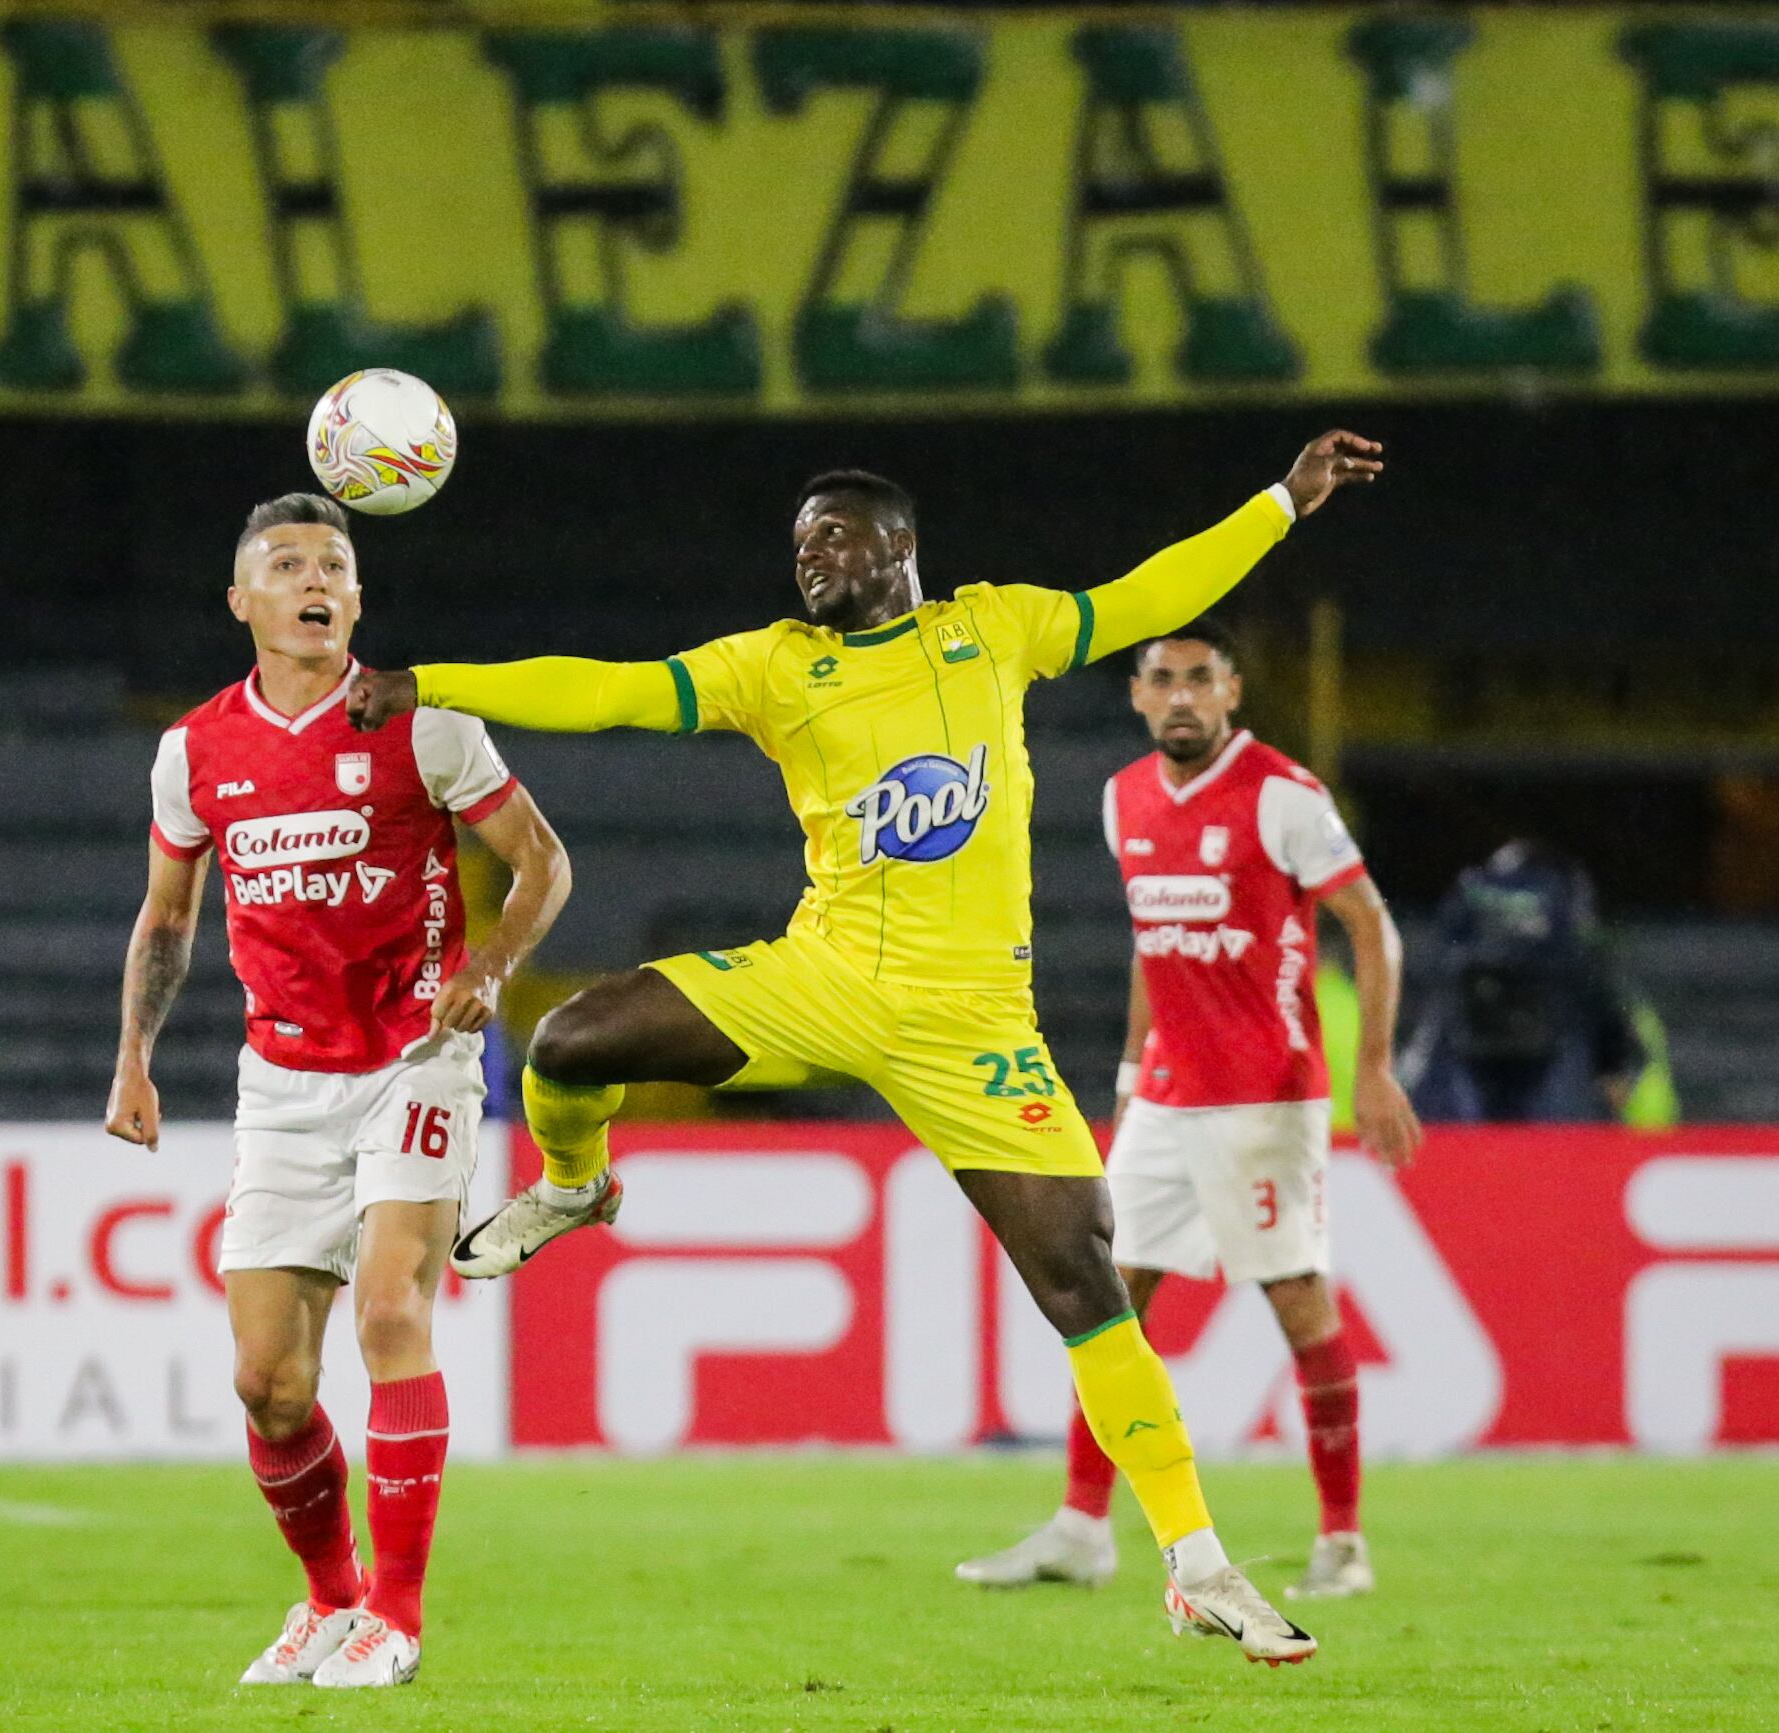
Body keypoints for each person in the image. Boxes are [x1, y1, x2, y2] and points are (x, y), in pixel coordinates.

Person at [351, 431, 1387, 1666]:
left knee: (1083, 1278)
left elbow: (1147, 596)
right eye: (797, 546)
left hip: (974, 1021)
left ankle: (1196, 1563)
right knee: (571, 1041)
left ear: (898, 545)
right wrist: (431, 679)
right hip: (826, 975)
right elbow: (612, 686)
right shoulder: (774, 667)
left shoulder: (993, 629)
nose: (810, 561)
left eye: (834, 537)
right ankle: (577, 1183)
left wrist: (1280, 499)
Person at [104, 493, 571, 1691]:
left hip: (416, 1058)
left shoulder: (426, 730)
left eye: (335, 563)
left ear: (356, 599)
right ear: (242, 601)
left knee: (389, 1312)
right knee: (268, 1380)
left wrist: (491, 968)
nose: (315, 579)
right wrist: (134, 1059)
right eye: (287, 562)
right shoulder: (194, 752)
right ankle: (330, 1598)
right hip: (283, 1082)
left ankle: (398, 1620)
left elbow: (542, 862)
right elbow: (167, 918)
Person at [956, 619, 1421, 1602]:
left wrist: (1373, 1068)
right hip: (1164, 1097)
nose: (1179, 695)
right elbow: (1151, 941)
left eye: (1198, 679)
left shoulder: (1284, 795)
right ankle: (1082, 1526)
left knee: (1297, 1303)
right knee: (1104, 1303)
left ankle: (1342, 1540)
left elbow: (1369, 922)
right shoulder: (1122, 797)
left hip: (1264, 1095)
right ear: (1136, 695)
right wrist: (1128, 1082)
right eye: (1160, 679)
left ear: (1231, 691)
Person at [1401, 839, 1646, 1123]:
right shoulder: (1567, 915)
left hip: (1459, 1108)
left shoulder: (1466, 907)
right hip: (1556, 1111)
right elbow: (1618, 1055)